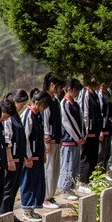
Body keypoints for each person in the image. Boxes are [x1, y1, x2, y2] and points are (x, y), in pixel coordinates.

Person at [0, 90, 28, 222]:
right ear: (15, 102)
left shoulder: (16, 116)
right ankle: (4, 216)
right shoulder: (8, 116)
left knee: (14, 188)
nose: (22, 107)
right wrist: (10, 159)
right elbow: (7, 140)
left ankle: (10, 213)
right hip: (12, 159)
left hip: (18, 157)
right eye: (21, 104)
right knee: (8, 189)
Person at [20, 89, 51, 220]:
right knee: (28, 182)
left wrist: (43, 151)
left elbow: (41, 134)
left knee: (37, 182)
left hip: (37, 155)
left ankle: (33, 208)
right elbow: (24, 138)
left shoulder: (38, 115)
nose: (44, 109)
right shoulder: (27, 115)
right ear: (36, 102)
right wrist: (27, 156)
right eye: (43, 106)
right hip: (30, 156)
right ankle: (26, 209)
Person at [58, 78, 86, 200]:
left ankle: (71, 187)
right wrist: (77, 137)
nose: (77, 93)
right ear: (69, 89)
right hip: (68, 140)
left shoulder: (75, 104)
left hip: (76, 140)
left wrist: (83, 135)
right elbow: (68, 123)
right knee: (67, 165)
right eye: (76, 91)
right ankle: (65, 189)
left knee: (74, 165)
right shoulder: (64, 104)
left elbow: (81, 120)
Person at [77, 78, 103, 191]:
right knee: (86, 156)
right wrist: (85, 132)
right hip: (88, 132)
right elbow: (84, 113)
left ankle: (91, 180)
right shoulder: (85, 93)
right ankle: (83, 182)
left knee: (93, 156)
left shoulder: (95, 94)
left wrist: (99, 129)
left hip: (95, 132)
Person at [42, 73, 63, 208]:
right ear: (52, 85)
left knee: (55, 168)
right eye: (58, 86)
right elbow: (45, 122)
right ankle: (45, 197)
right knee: (48, 169)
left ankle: (51, 195)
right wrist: (46, 140)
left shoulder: (55, 100)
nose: (60, 90)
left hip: (57, 139)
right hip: (49, 140)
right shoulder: (45, 100)